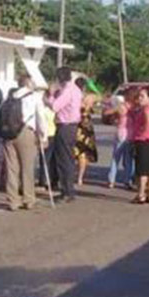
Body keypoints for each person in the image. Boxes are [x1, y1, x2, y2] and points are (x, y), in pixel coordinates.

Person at [2, 74, 45, 211]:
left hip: (9, 133)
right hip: (26, 132)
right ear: (28, 83)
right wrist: (43, 136)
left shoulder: (10, 97)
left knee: (11, 168)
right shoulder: (34, 97)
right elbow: (40, 118)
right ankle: (28, 198)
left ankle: (13, 200)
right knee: (27, 166)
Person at [48, 67, 82, 203]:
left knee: (64, 160)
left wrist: (50, 95)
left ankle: (67, 191)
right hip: (71, 126)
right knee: (67, 158)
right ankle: (67, 190)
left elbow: (55, 106)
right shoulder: (75, 89)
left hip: (65, 125)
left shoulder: (67, 91)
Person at [130, 87, 149, 204]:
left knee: (142, 171)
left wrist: (142, 132)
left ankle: (141, 194)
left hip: (143, 141)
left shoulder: (147, 108)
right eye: (139, 96)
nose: (140, 98)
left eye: (142, 96)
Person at [105, 90, 134, 189]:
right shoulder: (134, 108)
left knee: (115, 158)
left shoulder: (121, 107)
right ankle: (128, 180)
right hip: (130, 134)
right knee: (128, 159)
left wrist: (114, 114)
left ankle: (111, 180)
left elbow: (107, 112)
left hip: (120, 132)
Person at [74, 77, 99, 187]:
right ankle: (80, 177)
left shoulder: (74, 96)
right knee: (84, 153)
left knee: (74, 151)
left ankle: (73, 174)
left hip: (76, 126)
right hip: (86, 127)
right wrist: (92, 86)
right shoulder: (90, 97)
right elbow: (100, 96)